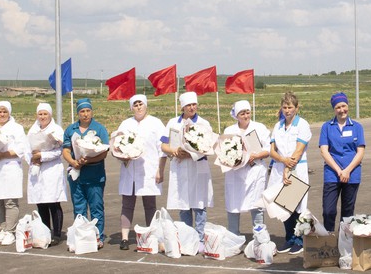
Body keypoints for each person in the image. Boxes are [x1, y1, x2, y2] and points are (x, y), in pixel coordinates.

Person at [113, 94, 165, 250]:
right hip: (129, 170)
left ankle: (152, 236)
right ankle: (124, 238)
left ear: (146, 105)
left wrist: (160, 170)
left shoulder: (156, 123)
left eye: (140, 104)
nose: (138, 107)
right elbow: (117, 145)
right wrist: (123, 157)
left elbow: (162, 148)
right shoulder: (125, 124)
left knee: (150, 204)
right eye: (135, 104)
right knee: (127, 203)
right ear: (131, 107)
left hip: (148, 169)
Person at [162, 92, 214, 242]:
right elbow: (164, 145)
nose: (192, 108)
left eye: (194, 104)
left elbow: (210, 146)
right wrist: (175, 151)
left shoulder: (203, 123)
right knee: (183, 203)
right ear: (182, 107)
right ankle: (186, 238)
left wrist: (194, 152)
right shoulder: (173, 123)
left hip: (198, 166)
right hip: (180, 167)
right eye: (188, 105)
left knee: (199, 202)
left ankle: (200, 238)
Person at [0, 100, 30, 246]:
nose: (2, 114)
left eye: (5, 112)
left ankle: (11, 230)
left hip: (9, 167)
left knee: (10, 201)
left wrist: (2, 155)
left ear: (9, 113)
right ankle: (2, 228)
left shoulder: (17, 128)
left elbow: (21, 148)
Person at [268, 91, 311, 254]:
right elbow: (272, 150)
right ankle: (289, 238)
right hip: (280, 167)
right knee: (284, 205)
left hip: (296, 168)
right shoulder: (278, 126)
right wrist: (282, 161)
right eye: (285, 107)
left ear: (297, 108)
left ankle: (299, 239)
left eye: (290, 107)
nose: (287, 110)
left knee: (297, 205)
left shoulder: (302, 125)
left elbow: (298, 151)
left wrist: (288, 167)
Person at [64, 98, 109, 248]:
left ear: (92, 112)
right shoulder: (71, 129)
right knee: (79, 208)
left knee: (96, 207)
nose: (85, 114)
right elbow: (66, 150)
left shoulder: (100, 129)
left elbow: (104, 153)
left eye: (88, 111)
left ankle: (98, 236)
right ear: (78, 113)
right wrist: (73, 162)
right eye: (82, 111)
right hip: (76, 175)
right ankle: (82, 236)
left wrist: (88, 160)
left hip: (94, 175)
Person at [222, 100, 271, 237]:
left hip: (255, 171)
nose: (246, 116)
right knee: (233, 204)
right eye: (242, 113)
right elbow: (224, 151)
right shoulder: (229, 130)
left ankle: (259, 237)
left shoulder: (259, 128)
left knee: (256, 205)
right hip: (235, 174)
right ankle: (233, 237)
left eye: (248, 112)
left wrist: (255, 156)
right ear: (236, 115)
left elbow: (268, 150)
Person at [319, 92, 365, 232]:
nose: (341, 110)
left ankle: (344, 243)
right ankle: (329, 240)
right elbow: (324, 151)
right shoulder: (327, 127)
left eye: (344, 106)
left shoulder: (357, 127)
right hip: (332, 174)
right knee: (328, 211)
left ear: (348, 106)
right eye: (338, 107)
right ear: (334, 109)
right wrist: (339, 171)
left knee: (347, 212)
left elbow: (360, 152)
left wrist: (347, 170)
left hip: (352, 174)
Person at [28, 102, 67, 245]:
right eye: (40, 114)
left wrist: (42, 156)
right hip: (37, 170)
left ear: (50, 115)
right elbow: (27, 149)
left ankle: (56, 234)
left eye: (45, 114)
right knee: (41, 203)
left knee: (53, 202)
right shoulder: (33, 130)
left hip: (51, 170)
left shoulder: (56, 130)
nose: (42, 117)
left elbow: (59, 151)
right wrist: (33, 158)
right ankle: (45, 231)